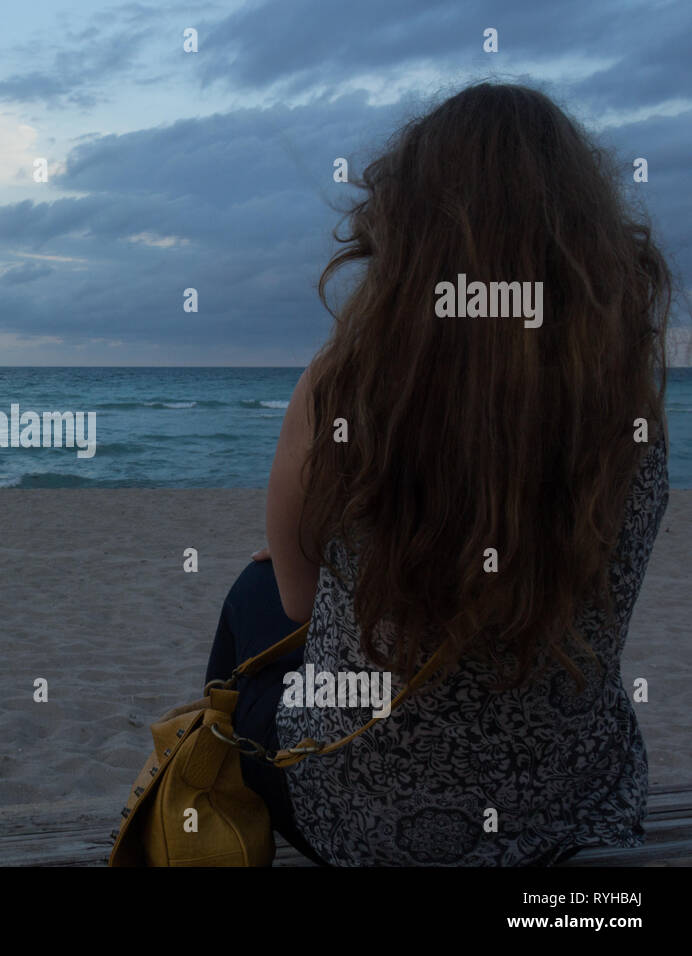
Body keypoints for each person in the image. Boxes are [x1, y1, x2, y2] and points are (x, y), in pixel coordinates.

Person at [204, 82, 671, 866]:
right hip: (570, 813)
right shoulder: (632, 410)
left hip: (364, 825)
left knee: (253, 594)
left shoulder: (344, 385)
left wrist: (339, 561)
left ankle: (219, 807)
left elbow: (294, 597)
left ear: (409, 235)